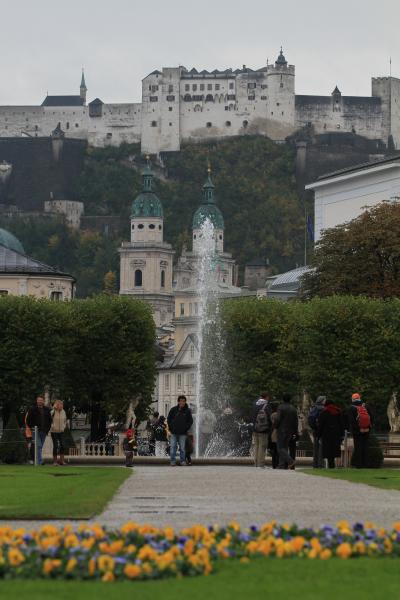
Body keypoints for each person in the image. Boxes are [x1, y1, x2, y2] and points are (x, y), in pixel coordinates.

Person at [317, 399, 344, 469]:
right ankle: (333, 465)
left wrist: (318, 435)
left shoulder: (324, 412)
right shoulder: (338, 411)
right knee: (334, 450)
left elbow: (320, 425)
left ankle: (331, 465)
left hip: (326, 435)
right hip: (336, 434)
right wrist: (342, 434)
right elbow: (342, 424)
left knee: (328, 451)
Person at [167, 395, 193, 466]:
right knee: (173, 447)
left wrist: (186, 428)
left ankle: (182, 461)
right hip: (174, 432)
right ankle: (172, 461)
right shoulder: (173, 410)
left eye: (183, 401)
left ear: (185, 402)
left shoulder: (187, 411)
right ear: (178, 401)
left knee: (182, 448)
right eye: (180, 401)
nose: (182, 402)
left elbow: (190, 421)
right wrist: (171, 428)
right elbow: (168, 419)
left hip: (183, 433)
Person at [348, 392, 372, 468]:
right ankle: (366, 464)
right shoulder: (366, 406)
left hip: (357, 431)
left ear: (352, 399)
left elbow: (351, 421)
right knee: (365, 447)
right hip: (366, 430)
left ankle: (359, 464)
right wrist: (368, 428)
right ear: (359, 398)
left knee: (358, 447)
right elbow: (371, 417)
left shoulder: (351, 408)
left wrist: (358, 429)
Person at [26, 396, 52, 465]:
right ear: (37, 401)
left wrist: (47, 430)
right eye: (38, 400)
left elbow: (50, 421)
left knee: (39, 447)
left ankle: (37, 460)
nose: (40, 401)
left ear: (43, 401)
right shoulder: (32, 409)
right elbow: (28, 420)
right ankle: (40, 461)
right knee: (39, 446)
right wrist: (32, 428)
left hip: (44, 431)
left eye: (41, 400)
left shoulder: (47, 409)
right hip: (35, 431)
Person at [275, 393, 298, 470]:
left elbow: (278, 419)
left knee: (280, 448)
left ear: (283, 399)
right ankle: (282, 465)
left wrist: (275, 426)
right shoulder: (293, 408)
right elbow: (296, 421)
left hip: (282, 430)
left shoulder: (280, 407)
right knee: (284, 448)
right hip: (290, 431)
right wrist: (295, 432)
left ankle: (290, 461)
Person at [252, 392, 271, 468]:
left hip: (255, 428)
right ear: (266, 397)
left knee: (256, 446)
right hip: (263, 429)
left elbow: (252, 416)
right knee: (262, 446)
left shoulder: (255, 404)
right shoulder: (266, 405)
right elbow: (269, 418)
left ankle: (256, 463)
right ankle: (261, 464)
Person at [308, 396, 326, 468]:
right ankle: (320, 464)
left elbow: (310, 419)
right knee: (321, 448)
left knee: (316, 448)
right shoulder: (323, 409)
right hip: (321, 431)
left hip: (315, 430)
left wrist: (314, 427)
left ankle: (315, 464)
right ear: (322, 401)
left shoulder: (313, 408)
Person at [50, 399, 68, 465]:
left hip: (61, 431)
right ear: (57, 405)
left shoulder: (64, 412)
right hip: (54, 431)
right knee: (55, 446)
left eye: (62, 404)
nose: (61, 406)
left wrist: (64, 426)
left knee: (63, 445)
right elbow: (50, 421)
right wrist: (52, 426)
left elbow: (65, 420)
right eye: (60, 404)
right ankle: (55, 461)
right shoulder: (52, 411)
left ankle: (62, 461)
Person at [268, 402, 279, 469]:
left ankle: (273, 464)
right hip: (277, 433)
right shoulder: (278, 414)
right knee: (277, 450)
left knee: (273, 450)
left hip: (272, 432)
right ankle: (277, 463)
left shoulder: (271, 415)